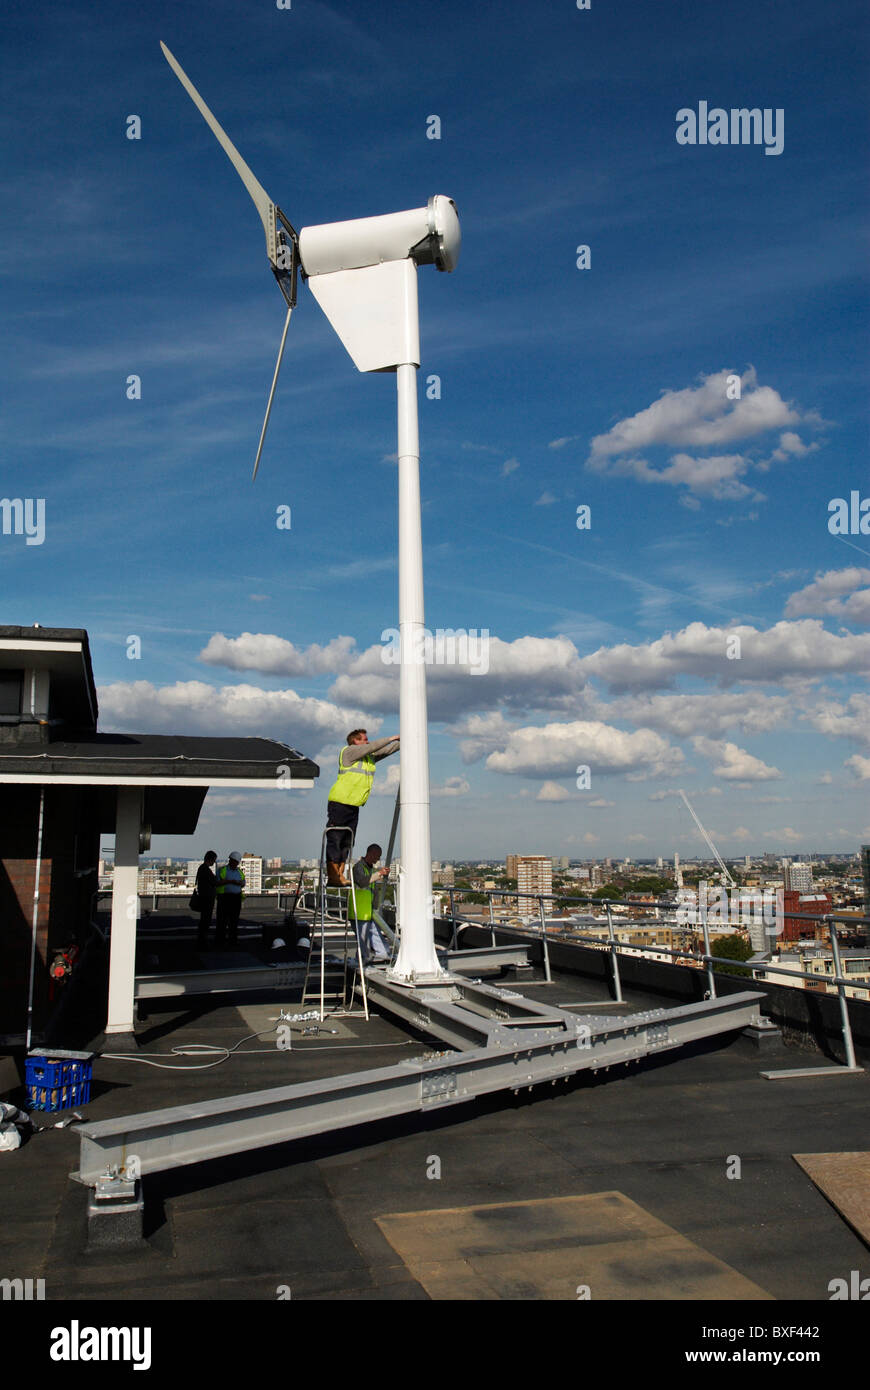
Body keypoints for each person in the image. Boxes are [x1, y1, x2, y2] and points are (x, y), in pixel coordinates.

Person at [325, 729, 399, 886]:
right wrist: (392, 737)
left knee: (347, 842)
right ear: (355, 742)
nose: (367, 742)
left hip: (353, 805)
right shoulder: (349, 752)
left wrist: (406, 740)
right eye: (364, 739)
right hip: (340, 803)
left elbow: (386, 750)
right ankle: (333, 875)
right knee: (336, 839)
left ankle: (339, 875)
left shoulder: (367, 758)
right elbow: (373, 747)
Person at [350, 844, 391, 964]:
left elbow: (372, 891)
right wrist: (379, 874)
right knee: (364, 942)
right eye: (377, 856)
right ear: (370, 853)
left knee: (374, 937)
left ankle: (382, 955)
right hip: (359, 912)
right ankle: (364, 962)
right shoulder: (358, 868)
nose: (377, 859)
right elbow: (363, 882)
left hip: (369, 911)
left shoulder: (370, 869)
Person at [215, 850, 245, 949]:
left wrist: (239, 883)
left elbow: (243, 883)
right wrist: (229, 881)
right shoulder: (222, 870)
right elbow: (217, 883)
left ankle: (233, 941)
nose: (235, 863)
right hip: (224, 898)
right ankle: (220, 941)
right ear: (230, 860)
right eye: (234, 861)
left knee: (234, 921)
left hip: (236, 899)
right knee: (222, 921)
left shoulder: (239, 871)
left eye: (236, 862)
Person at [195, 850, 218, 948]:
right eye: (214, 860)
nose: (214, 862)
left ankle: (202, 939)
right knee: (206, 920)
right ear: (211, 859)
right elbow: (214, 881)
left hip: (204, 897)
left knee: (204, 920)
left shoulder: (202, 868)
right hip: (207, 899)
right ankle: (202, 941)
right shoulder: (205, 869)